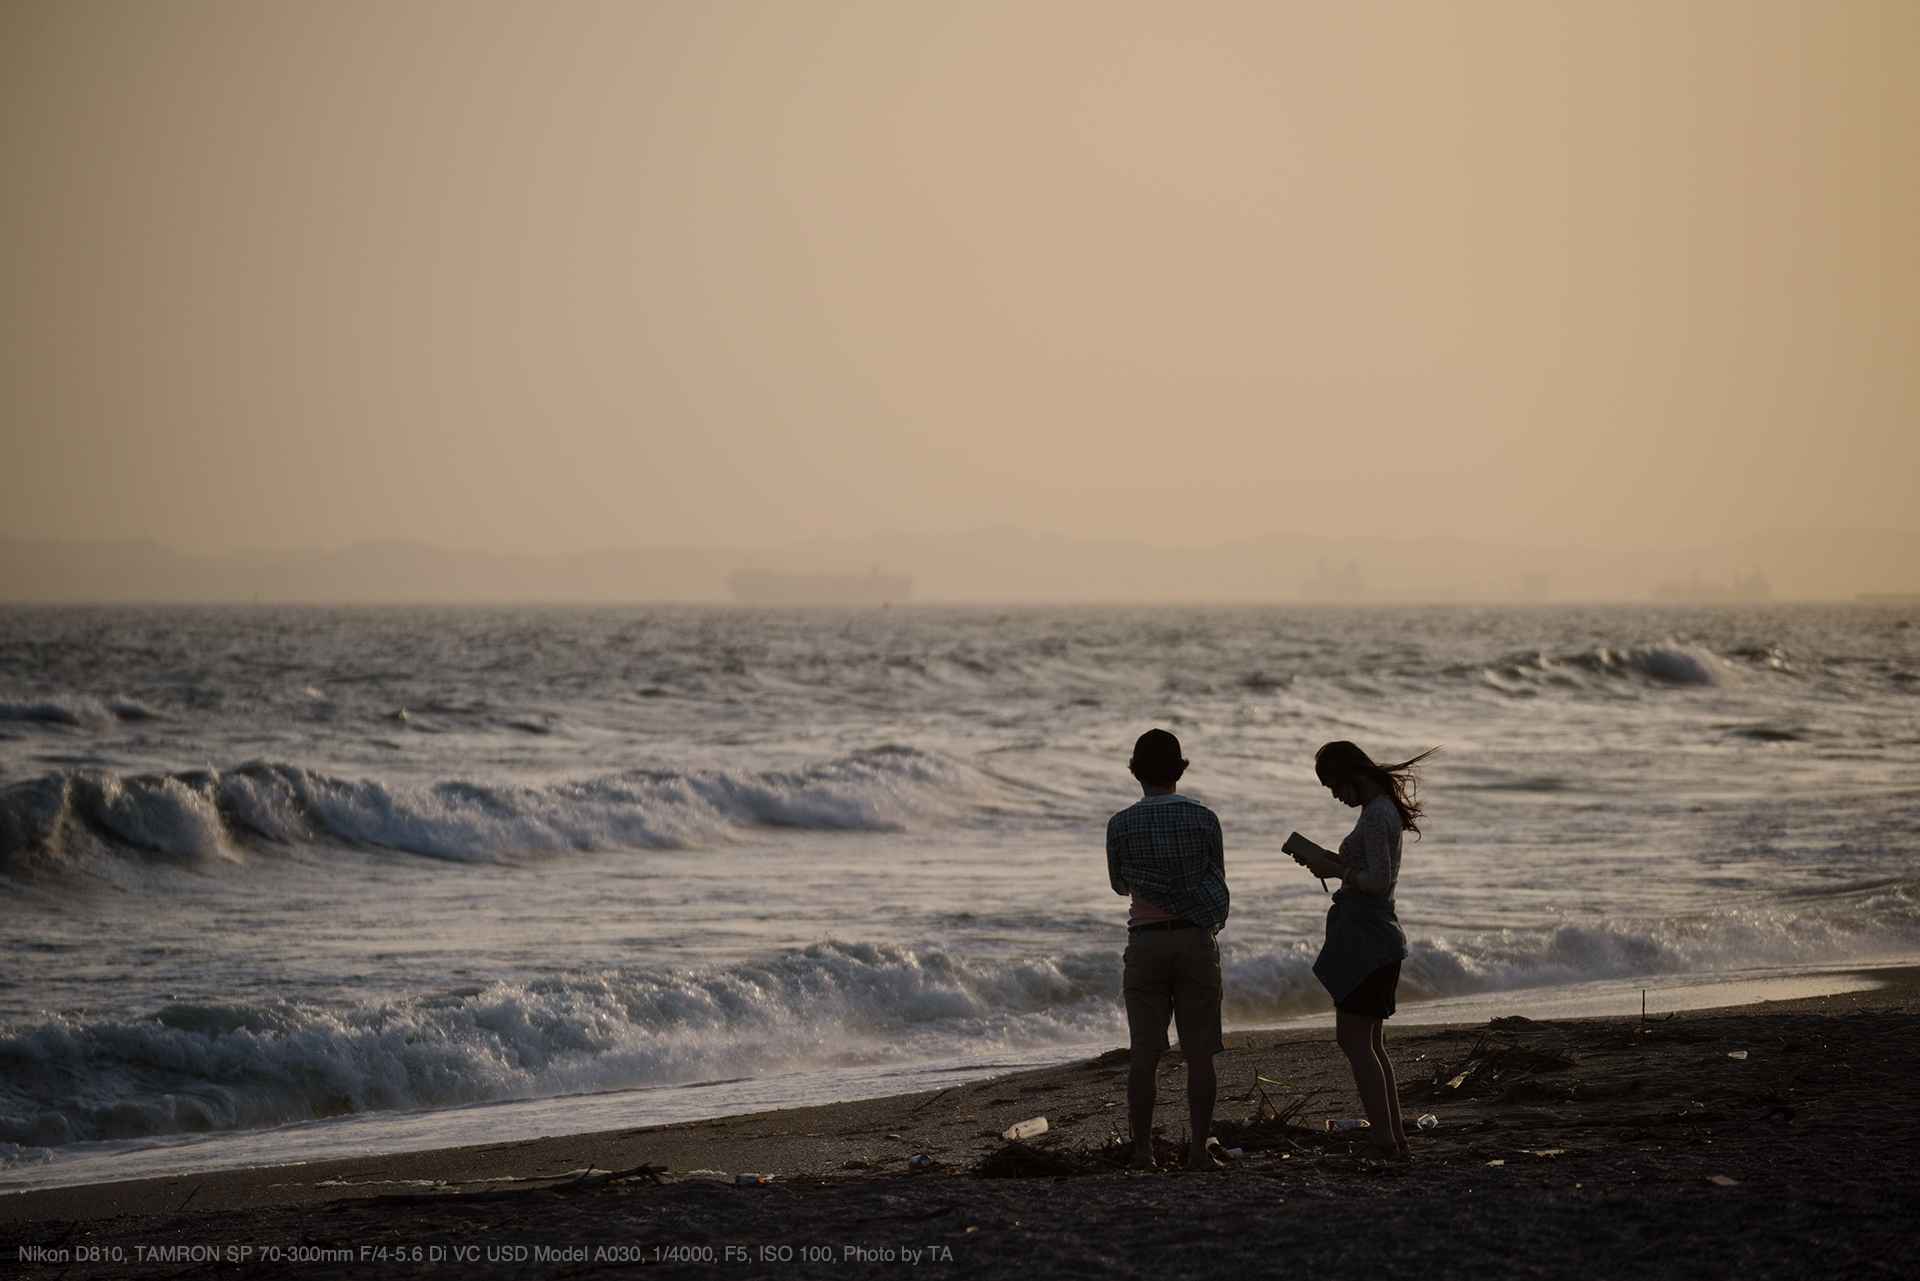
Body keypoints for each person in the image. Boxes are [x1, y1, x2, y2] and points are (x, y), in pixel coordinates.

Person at [1282, 740, 1436, 1163]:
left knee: (1353, 1040)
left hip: (1369, 939)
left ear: (1353, 773)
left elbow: (1379, 881)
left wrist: (1338, 870)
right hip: (1378, 937)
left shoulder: (1376, 814)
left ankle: (1384, 1140)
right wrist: (1328, 861)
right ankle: (1394, 1138)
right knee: (1370, 1044)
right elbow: (1369, 870)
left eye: (1334, 784)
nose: (1334, 794)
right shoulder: (1382, 809)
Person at [1106, 728, 1229, 1171]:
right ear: (1180, 769)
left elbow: (1119, 884)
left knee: (1144, 1053)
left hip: (1145, 942)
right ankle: (1198, 1150)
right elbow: (1214, 876)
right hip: (1196, 938)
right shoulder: (1205, 819)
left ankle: (1143, 1153)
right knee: (1199, 1053)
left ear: (1135, 771)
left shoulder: (1119, 823)